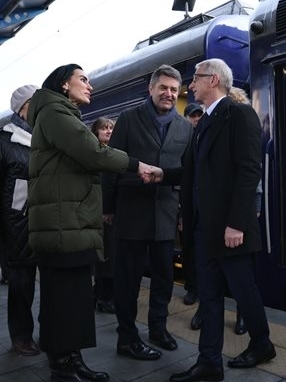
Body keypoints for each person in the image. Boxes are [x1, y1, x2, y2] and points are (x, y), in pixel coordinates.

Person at [27, 64, 162, 382]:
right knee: (67, 298)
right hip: (64, 225)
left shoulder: (55, 112)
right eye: (83, 80)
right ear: (64, 85)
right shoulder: (56, 114)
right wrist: (136, 164)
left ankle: (67, 361)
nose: (90, 86)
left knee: (65, 297)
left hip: (65, 223)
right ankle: (64, 365)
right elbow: (92, 152)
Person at [170, 59, 275, 382]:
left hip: (230, 229)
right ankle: (209, 362)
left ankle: (261, 344)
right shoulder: (203, 123)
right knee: (210, 295)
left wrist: (238, 223)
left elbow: (248, 170)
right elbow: (194, 173)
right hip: (205, 228)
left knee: (243, 290)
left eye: (195, 79)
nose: (190, 85)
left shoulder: (238, 114)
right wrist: (159, 174)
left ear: (213, 79)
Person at [102, 64, 193, 360]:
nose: (168, 93)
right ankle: (127, 337)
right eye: (163, 87)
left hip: (166, 213)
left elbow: (186, 173)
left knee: (165, 278)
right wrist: (108, 207)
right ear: (151, 89)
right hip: (131, 212)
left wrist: (183, 211)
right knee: (128, 279)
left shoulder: (184, 127)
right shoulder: (129, 119)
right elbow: (112, 165)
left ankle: (158, 328)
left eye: (173, 89)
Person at [0, 84, 40, 356]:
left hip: (47, 218)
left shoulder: (47, 136)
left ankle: (50, 331)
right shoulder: (4, 140)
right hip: (16, 223)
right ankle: (21, 336)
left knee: (51, 281)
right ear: (23, 107)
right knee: (22, 282)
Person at [90, 117, 117, 314]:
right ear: (96, 132)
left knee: (111, 257)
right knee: (103, 258)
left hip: (113, 216)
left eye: (111, 128)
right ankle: (103, 297)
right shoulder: (93, 154)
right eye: (104, 128)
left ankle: (100, 294)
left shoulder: (114, 153)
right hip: (98, 215)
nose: (108, 131)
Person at [181, 103, 203, 306]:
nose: (197, 118)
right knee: (189, 249)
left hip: (203, 206)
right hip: (187, 206)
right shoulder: (183, 140)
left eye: (199, 115)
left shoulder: (206, 137)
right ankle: (192, 288)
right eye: (193, 115)